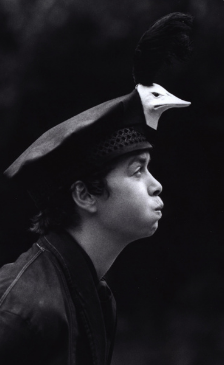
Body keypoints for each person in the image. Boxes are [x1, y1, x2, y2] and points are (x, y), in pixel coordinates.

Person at [0, 12, 192, 365]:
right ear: (84, 195)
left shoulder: (96, 294)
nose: (156, 185)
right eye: (137, 171)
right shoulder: (22, 312)